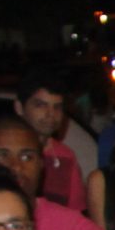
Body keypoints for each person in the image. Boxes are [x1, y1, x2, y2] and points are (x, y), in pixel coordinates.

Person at [14, 66, 93, 215]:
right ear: (19, 108)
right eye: (41, 105)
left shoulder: (65, 156)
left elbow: (74, 215)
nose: (50, 114)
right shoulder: (7, 153)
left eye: (57, 107)